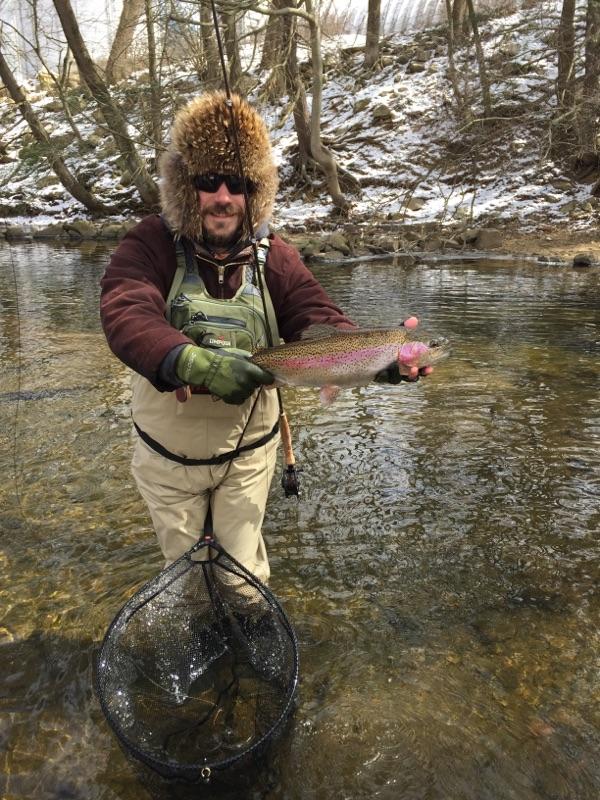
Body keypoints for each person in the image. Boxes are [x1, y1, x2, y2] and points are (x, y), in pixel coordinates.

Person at [100, 91, 428, 580]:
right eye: (208, 181)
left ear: (256, 191)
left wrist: (375, 358)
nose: (223, 197)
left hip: (248, 457)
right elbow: (126, 310)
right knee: (186, 574)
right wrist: (188, 361)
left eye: (238, 183)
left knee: (242, 578)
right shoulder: (150, 243)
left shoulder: (276, 255)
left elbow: (315, 315)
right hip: (166, 458)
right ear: (186, 186)